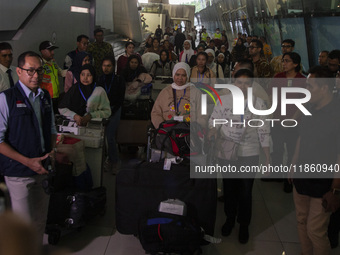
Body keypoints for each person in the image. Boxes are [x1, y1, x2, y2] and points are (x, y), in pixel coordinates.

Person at [208, 68, 270, 244]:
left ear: (252, 85)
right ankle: (229, 219)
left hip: (249, 152)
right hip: (227, 151)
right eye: (239, 82)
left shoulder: (258, 104)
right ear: (233, 84)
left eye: (247, 83)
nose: (242, 86)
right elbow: (215, 119)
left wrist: (267, 158)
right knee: (229, 188)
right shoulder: (224, 100)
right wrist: (213, 130)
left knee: (245, 191)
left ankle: (244, 224)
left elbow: (264, 131)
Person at [0, 51, 57, 241]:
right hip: (18, 173)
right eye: (30, 71)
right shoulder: (6, 99)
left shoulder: (44, 96)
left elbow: (50, 128)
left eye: (39, 71)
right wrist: (27, 161)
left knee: (40, 221)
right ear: (19, 71)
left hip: (42, 169)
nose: (36, 75)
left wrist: (51, 153)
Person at [289, 66, 340, 255]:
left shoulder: (336, 114)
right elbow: (301, 137)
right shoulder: (308, 107)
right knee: (301, 221)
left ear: (324, 88)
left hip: (323, 183)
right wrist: (293, 164)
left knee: (315, 230)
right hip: (302, 176)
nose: (306, 90)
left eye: (310, 86)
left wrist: (335, 187)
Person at [267, 52, 306, 192]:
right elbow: (271, 96)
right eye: (283, 61)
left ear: (295, 64)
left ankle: (289, 179)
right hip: (277, 120)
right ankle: (276, 174)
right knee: (276, 149)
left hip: (294, 122)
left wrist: (291, 120)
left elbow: (303, 104)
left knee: (291, 151)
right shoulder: (278, 77)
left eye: (287, 61)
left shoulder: (302, 80)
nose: (284, 63)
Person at [151, 62, 204, 129]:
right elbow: (155, 113)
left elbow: (204, 114)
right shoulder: (165, 92)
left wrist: (196, 128)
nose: (180, 78)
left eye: (183, 75)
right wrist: (162, 128)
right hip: (168, 132)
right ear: (173, 75)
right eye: (177, 74)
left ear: (188, 76)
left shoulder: (197, 92)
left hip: (189, 131)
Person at [98, 56, 125, 174]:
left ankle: (115, 160)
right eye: (104, 66)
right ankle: (107, 159)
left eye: (108, 66)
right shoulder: (99, 80)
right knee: (102, 137)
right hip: (102, 110)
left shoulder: (119, 80)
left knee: (110, 136)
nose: (106, 68)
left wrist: (112, 111)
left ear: (113, 67)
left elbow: (120, 99)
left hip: (114, 110)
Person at [39, 40, 67, 114]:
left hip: (56, 96)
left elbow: (61, 73)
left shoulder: (53, 62)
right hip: (46, 98)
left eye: (53, 50)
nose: (53, 53)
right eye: (50, 50)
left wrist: (73, 70)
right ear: (42, 51)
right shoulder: (40, 65)